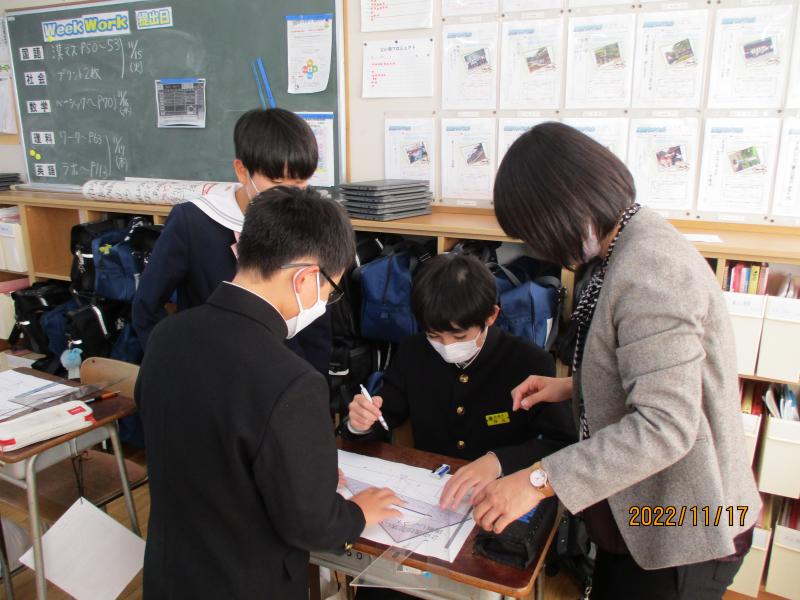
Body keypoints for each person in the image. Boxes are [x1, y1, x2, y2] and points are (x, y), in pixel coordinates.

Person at [470, 122, 761, 600]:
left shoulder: (650, 270)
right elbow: (649, 368)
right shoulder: (626, 241)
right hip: (645, 513)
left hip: (687, 521)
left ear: (564, 210)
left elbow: (665, 426)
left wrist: (539, 480)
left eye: (535, 235)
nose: (539, 249)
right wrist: (573, 386)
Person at [135, 186, 403, 599]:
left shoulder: (167, 335)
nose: (326, 302)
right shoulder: (292, 381)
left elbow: (203, 451)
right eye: (330, 290)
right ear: (305, 278)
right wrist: (355, 513)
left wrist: (301, 472)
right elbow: (311, 524)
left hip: (169, 574)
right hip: (247, 583)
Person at [346, 253, 576, 510]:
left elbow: (562, 444)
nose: (446, 346)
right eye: (434, 335)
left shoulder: (529, 362)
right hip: (431, 489)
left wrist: (498, 461)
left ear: (491, 315)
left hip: (506, 493)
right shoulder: (414, 351)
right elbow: (386, 414)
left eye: (459, 337)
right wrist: (360, 423)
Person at [133, 108, 332, 376]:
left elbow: (316, 321)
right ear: (242, 170)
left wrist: (316, 382)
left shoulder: (308, 222)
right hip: (213, 372)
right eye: (276, 181)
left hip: (284, 374)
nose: (288, 194)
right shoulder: (194, 222)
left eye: (299, 182)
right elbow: (146, 307)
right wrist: (176, 365)